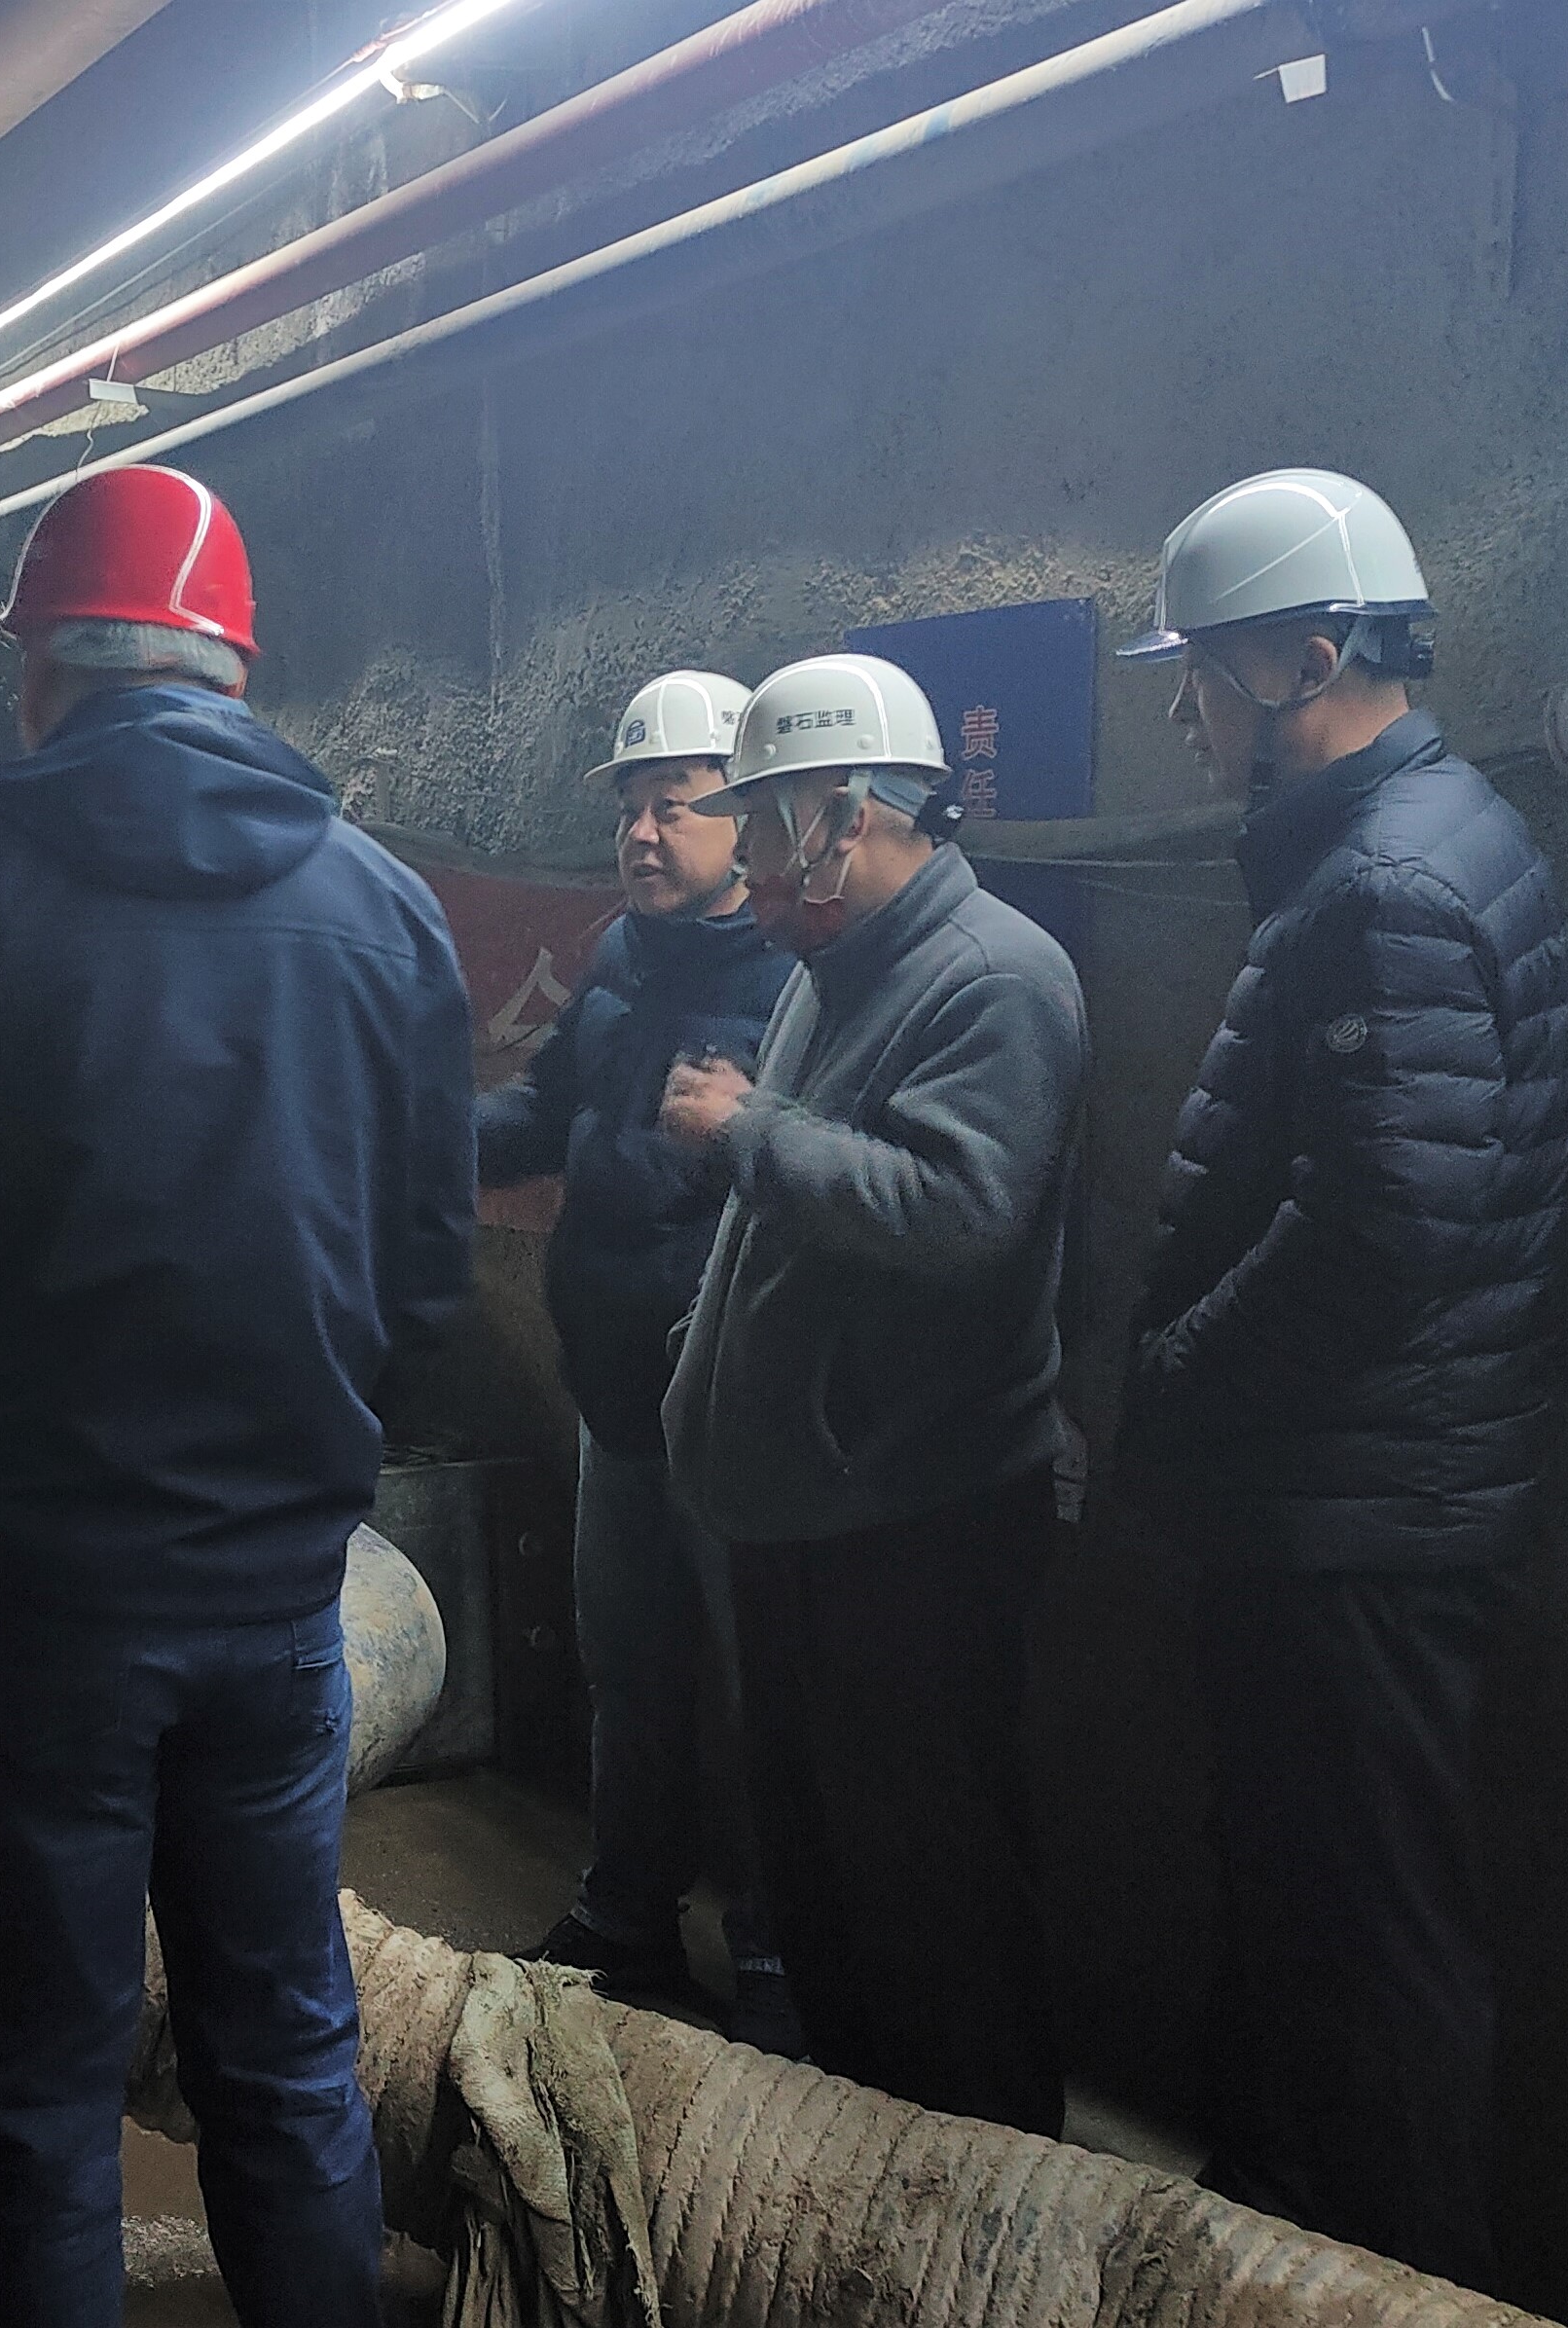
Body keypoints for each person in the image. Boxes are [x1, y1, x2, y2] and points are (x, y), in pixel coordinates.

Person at [0, 464, 475, 2328]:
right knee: (287, 2057)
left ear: (40, 672)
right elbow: (427, 1273)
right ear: (232, 673)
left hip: (24, 1592)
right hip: (276, 1595)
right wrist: (308, 1470)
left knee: (36, 2095)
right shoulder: (385, 909)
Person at [1112, 467, 1568, 2286]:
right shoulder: (1414, 841)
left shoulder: (1383, 882)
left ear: (1309, 661)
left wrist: (1178, 1372)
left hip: (1354, 1518)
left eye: (1201, 670)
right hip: (1359, 1498)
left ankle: (1395, 2277)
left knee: (1367, 1951)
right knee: (1319, 1922)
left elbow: (1382, 1231)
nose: (1183, 712)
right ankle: (1295, 2249)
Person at [656, 651, 1088, 2133]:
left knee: (932, 1887)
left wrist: (746, 1131)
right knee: (823, 1874)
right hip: (808, 1511)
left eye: (765, 826)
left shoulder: (993, 977)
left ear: (850, 816)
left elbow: (961, 1216)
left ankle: (984, 2191)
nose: (750, 865)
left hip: (910, 1519)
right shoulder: (826, 969)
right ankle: (855, 2181)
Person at [474, 671, 798, 2051]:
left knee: (763, 1685)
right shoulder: (615, 959)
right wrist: (404, 1135)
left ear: (746, 816)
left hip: (732, 1399)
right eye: (629, 808)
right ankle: (626, 1913)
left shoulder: (796, 972)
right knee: (630, 1663)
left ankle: (780, 1960)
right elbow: (544, 1112)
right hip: (613, 1386)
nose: (643, 834)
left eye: (674, 804)